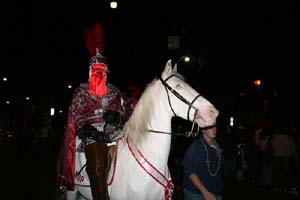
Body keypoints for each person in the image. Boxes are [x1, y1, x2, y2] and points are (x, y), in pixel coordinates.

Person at [57, 22, 132, 200]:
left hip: (114, 131)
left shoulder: (114, 90)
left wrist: (118, 117)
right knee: (97, 158)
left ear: (106, 72)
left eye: (102, 71)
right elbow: (77, 111)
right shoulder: (81, 91)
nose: (99, 74)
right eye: (95, 70)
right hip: (90, 133)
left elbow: (125, 110)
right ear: (90, 71)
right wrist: (85, 127)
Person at [182, 125, 224, 200]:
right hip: (196, 194)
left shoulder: (216, 145)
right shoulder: (196, 147)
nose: (214, 129)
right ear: (203, 130)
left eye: (215, 127)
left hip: (215, 192)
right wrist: (205, 192)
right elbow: (190, 171)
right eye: (210, 127)